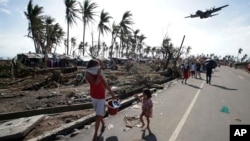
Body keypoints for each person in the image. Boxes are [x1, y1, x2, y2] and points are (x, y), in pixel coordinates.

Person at [85, 59, 116, 141]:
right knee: (99, 114)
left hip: (101, 97)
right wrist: (98, 73)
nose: (99, 67)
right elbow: (95, 83)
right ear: (93, 66)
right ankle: (103, 123)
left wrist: (113, 94)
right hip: (94, 96)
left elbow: (106, 85)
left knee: (98, 115)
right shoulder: (87, 73)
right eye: (97, 65)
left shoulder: (101, 73)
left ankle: (95, 134)